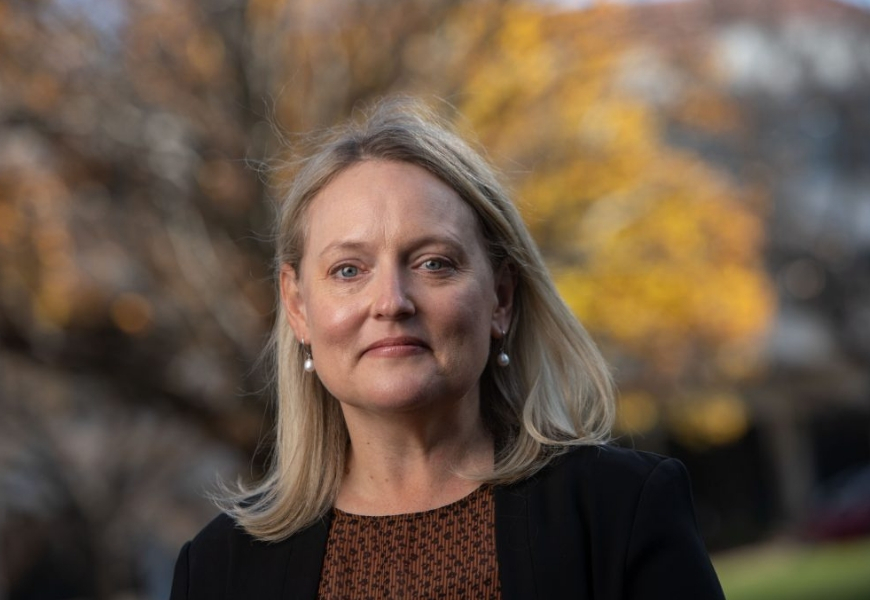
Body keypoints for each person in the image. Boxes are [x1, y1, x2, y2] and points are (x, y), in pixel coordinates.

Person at [169, 97, 725, 599]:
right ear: (297, 307)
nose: (391, 302)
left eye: (433, 263)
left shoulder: (621, 511)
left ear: (500, 298)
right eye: (348, 270)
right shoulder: (217, 571)